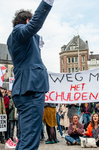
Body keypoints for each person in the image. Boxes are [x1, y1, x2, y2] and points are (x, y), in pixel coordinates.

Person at [7, 0, 54, 149]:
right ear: (27, 20)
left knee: (25, 137)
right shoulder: (19, 30)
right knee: (30, 140)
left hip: (25, 89)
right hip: (31, 89)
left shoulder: (18, 38)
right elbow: (35, 24)